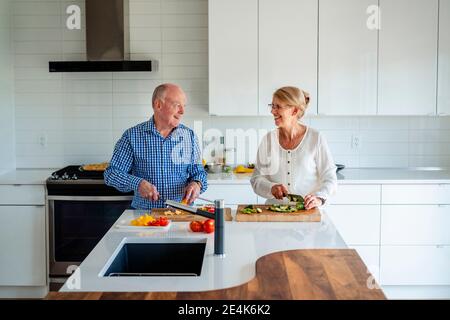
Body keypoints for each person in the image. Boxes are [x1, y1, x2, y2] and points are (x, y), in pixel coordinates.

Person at [104, 83, 207, 209]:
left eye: (184, 106)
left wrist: (197, 184)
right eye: (177, 105)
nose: (182, 111)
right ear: (158, 105)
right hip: (146, 217)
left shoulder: (189, 136)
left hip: (181, 215)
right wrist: (138, 183)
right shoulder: (132, 136)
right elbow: (111, 174)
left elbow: (199, 172)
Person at [250, 86, 337, 210]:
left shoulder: (315, 138)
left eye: (278, 107)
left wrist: (319, 197)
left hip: (309, 214)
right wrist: (271, 187)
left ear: (294, 111)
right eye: (272, 106)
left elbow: (330, 177)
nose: (272, 111)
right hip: (274, 214)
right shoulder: (268, 140)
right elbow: (256, 179)